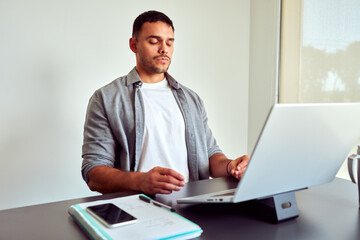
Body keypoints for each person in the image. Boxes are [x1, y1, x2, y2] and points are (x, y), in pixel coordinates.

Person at [81, 10, 249, 195]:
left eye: (169, 42)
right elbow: (93, 172)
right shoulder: (106, 98)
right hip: (138, 211)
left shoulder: (192, 99)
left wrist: (230, 166)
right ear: (133, 44)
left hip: (193, 210)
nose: (164, 49)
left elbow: (210, 155)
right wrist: (140, 181)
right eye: (154, 41)